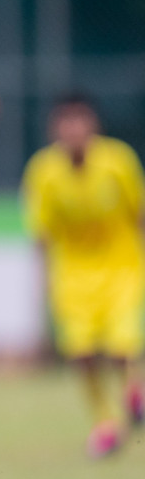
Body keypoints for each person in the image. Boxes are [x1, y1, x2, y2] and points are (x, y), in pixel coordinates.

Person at [22, 95, 145, 457]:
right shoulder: (43, 172)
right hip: (72, 274)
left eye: (80, 122)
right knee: (82, 354)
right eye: (66, 123)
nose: (73, 131)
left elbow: (138, 215)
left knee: (122, 346)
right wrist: (42, 280)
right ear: (54, 129)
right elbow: (41, 233)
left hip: (120, 267)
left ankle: (133, 393)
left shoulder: (118, 162)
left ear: (93, 126)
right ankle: (105, 423)